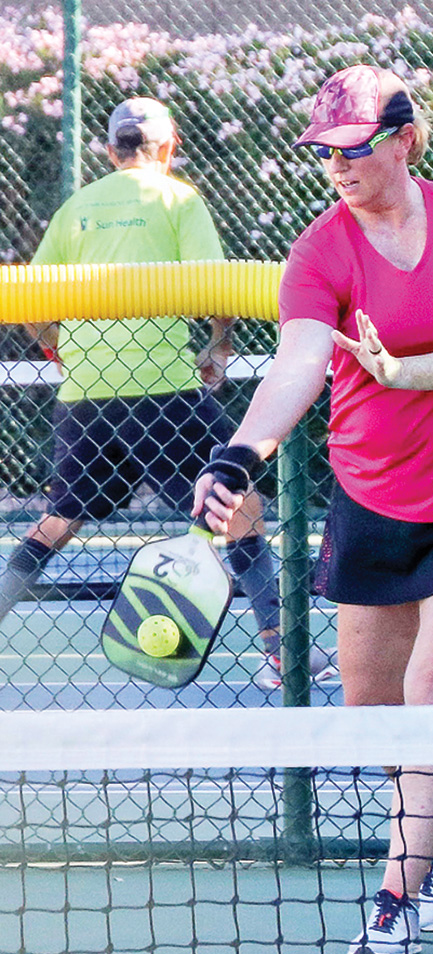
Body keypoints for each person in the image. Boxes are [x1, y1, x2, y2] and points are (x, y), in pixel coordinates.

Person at [192, 65, 433, 954]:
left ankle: (395, 895)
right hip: (375, 497)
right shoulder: (321, 250)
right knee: (374, 712)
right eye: (326, 153)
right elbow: (298, 364)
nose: (339, 168)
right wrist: (239, 454)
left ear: (405, 140)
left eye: (354, 149)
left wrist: (405, 372)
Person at [0, 96, 332, 690]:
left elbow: (30, 302)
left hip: (86, 395)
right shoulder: (179, 198)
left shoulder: (76, 207)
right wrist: (218, 346)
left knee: (57, 522)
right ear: (170, 147)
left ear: (109, 151)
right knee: (241, 511)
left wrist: (63, 351)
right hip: (164, 393)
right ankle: (282, 651)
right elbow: (214, 288)